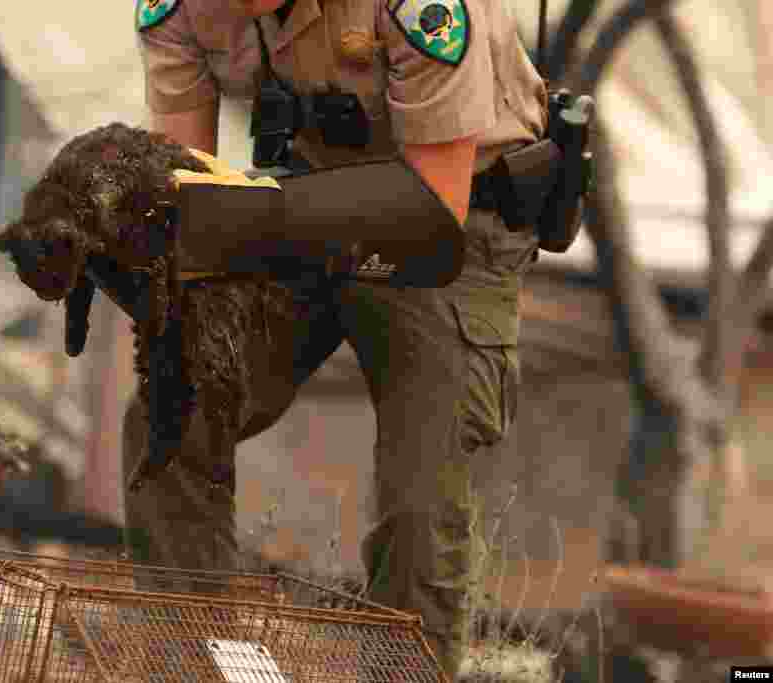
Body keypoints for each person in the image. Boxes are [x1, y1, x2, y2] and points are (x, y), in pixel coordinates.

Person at [125, 0, 548, 678]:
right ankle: (193, 665)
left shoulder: (421, 7)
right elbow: (188, 187)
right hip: (303, 204)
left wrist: (260, 214)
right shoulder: (178, 9)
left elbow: (433, 211)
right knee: (170, 402)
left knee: (420, 499)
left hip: (453, 233)